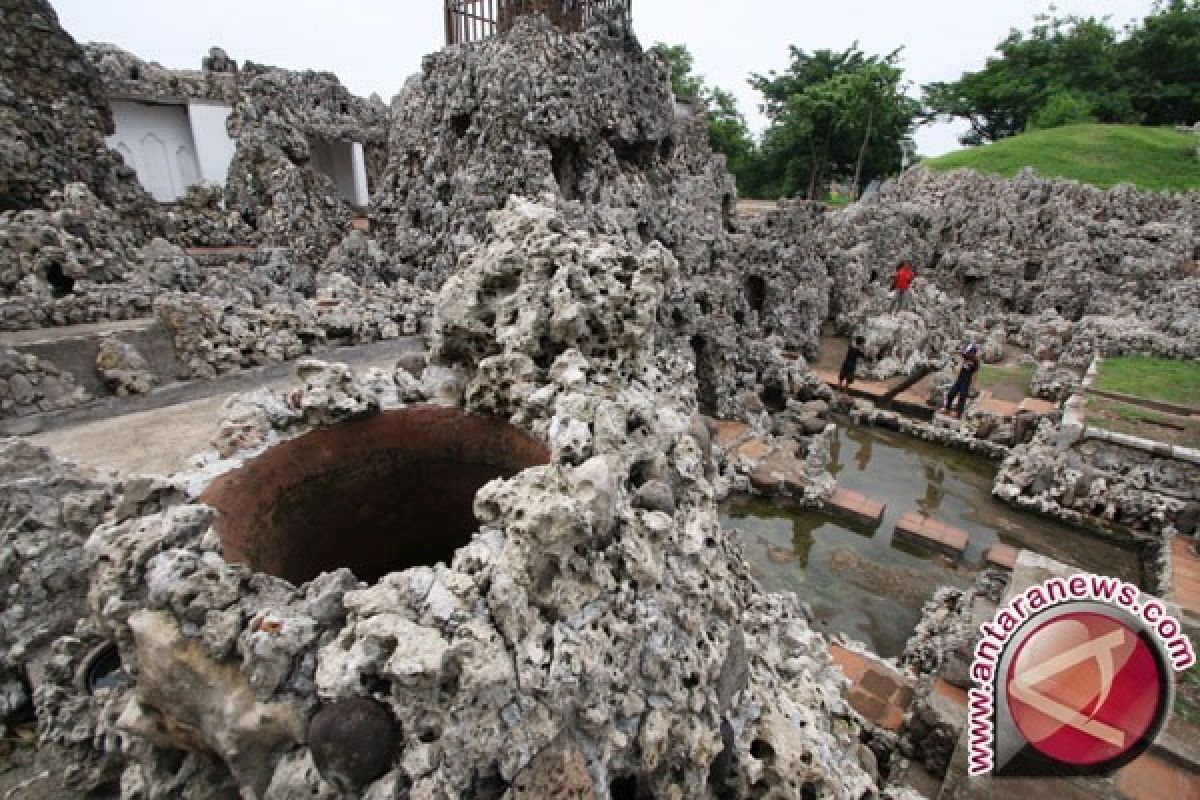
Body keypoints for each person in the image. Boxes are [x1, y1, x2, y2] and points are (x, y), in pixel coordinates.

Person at [944, 343, 981, 417]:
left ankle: (958, 414)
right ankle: (947, 409)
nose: (967, 353)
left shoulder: (976, 361)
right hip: (960, 379)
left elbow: (975, 374)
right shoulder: (966, 355)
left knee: (962, 397)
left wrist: (973, 385)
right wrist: (953, 352)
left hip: (966, 381)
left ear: (973, 353)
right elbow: (960, 353)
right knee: (951, 394)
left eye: (969, 352)